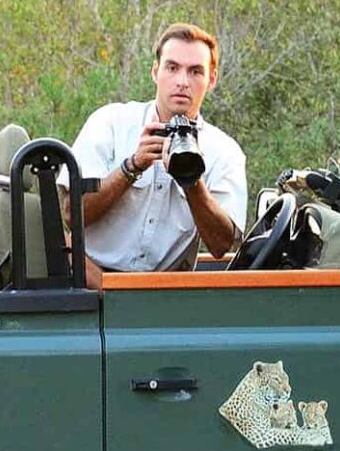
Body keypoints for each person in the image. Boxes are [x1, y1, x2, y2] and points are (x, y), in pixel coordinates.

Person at [71, 22, 247, 275]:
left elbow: (222, 245)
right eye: (172, 68)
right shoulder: (110, 122)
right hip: (89, 279)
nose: (182, 82)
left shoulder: (224, 152)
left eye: (195, 71)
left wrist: (191, 180)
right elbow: (70, 215)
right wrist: (131, 167)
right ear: (156, 71)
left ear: (212, 79)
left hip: (162, 293)